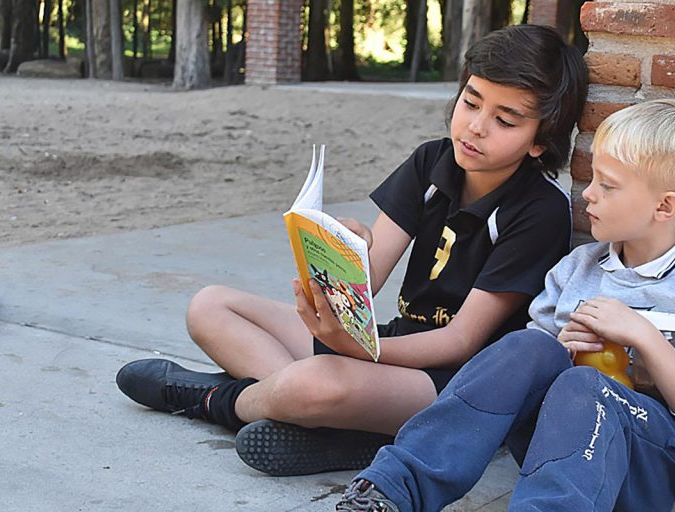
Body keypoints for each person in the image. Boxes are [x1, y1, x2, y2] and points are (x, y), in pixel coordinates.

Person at [115, 24, 589, 476]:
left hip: (461, 386)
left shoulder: (539, 209)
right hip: (395, 346)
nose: (476, 127)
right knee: (211, 306)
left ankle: (215, 400)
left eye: (505, 120)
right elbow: (369, 278)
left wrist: (362, 352)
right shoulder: (433, 161)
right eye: (471, 101)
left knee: (314, 383)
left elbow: (461, 343)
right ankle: (322, 417)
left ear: (539, 141)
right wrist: (344, 253)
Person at [334, 98, 675, 512]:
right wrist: (564, 350)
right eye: (592, 179)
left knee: (586, 386)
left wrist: (644, 338)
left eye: (607, 185)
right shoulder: (577, 270)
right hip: (559, 447)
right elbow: (526, 378)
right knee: (527, 348)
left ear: (665, 207)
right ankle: (393, 490)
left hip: (653, 460)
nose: (587, 194)